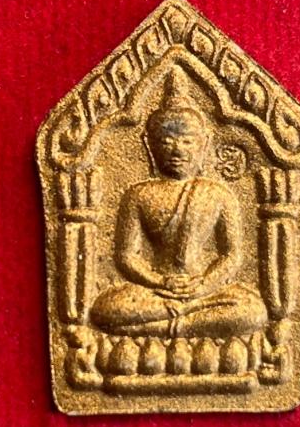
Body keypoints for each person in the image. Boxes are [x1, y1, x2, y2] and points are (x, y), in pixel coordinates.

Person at [91, 69, 267, 338]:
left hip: (204, 291)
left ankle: (173, 326)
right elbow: (126, 256)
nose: (177, 150)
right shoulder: (138, 194)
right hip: (156, 290)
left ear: (203, 145)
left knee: (252, 310)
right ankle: (190, 323)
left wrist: (203, 285)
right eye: (167, 141)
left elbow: (231, 255)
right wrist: (160, 282)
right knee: (106, 308)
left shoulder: (218, 194)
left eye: (186, 141)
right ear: (150, 146)